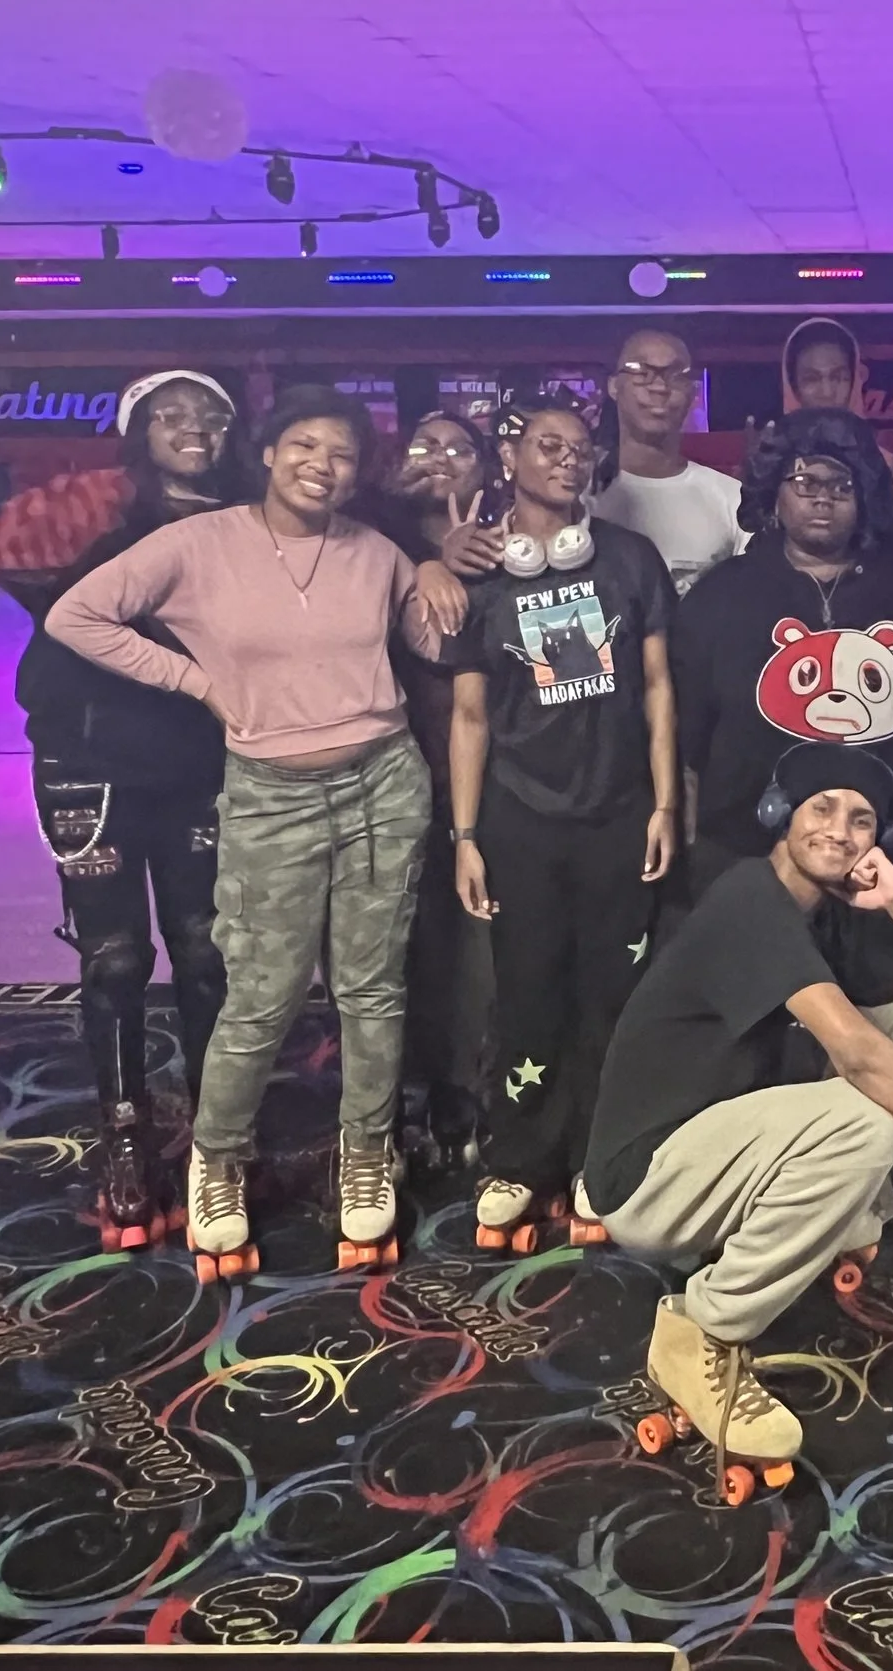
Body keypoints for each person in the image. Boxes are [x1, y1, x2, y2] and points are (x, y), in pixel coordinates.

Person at [47, 385, 469, 1277]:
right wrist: (195, 681)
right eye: (305, 445)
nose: (324, 465)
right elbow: (74, 617)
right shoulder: (199, 543)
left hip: (385, 783)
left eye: (342, 453)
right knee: (261, 996)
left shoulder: (375, 549)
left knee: (371, 988)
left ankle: (366, 1152)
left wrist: (437, 569)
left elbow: (434, 647)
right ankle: (218, 1159)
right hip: (272, 795)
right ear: (270, 453)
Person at [584, 744, 893, 1485]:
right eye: (822, 808)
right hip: (647, 1177)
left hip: (722, 1140)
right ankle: (703, 1330)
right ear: (780, 814)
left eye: (861, 820)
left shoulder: (839, 911)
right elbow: (858, 1058)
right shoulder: (749, 899)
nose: (839, 831)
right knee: (867, 1112)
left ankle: (830, 1209)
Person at [0, 369, 241, 1247]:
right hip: (88, 763)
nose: (194, 427)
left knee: (207, 952)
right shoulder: (93, 515)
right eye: (170, 415)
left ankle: (216, 1141)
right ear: (137, 433)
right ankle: (126, 1140)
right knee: (115, 959)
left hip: (199, 763)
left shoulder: (245, 519)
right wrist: (118, 491)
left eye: (211, 414)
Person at [447, 394, 679, 1244]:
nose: (569, 459)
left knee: (613, 994)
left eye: (581, 447)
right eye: (549, 445)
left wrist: (666, 804)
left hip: (620, 812)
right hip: (520, 819)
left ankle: (596, 1154)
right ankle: (517, 1156)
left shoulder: (630, 559)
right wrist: (465, 836)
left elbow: (658, 687)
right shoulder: (479, 573)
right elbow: (469, 716)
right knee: (528, 990)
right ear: (509, 458)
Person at [677, 405, 893, 895]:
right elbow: (685, 741)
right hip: (745, 866)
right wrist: (695, 847)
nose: (823, 497)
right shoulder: (719, 597)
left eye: (843, 485)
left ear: (866, 495)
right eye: (805, 482)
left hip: (883, 865)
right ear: (774, 491)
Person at [353, 408, 497, 1170]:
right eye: (423, 444)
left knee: (472, 941)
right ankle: (390, 1102)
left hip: (483, 773)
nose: (440, 457)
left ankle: (463, 1089)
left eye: (459, 447)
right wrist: (425, 557)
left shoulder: (507, 543)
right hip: (383, 771)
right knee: (391, 940)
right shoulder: (366, 541)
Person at [782, 316, 893, 572]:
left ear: (854, 382)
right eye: (812, 379)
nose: (827, 391)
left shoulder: (887, 467)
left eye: (838, 377)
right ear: (793, 387)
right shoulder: (774, 465)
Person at [591, 326, 747, 595]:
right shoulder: (580, 495)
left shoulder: (732, 499)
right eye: (642, 372)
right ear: (614, 386)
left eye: (676, 375)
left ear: (692, 392)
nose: (660, 387)